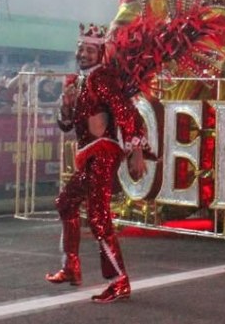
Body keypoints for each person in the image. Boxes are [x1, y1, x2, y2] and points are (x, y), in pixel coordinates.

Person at [45, 24, 147, 304]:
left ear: (100, 52)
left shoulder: (102, 77)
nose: (83, 54)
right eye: (80, 49)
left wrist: (136, 150)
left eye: (89, 50)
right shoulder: (79, 82)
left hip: (103, 153)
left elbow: (126, 111)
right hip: (89, 154)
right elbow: (68, 125)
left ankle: (119, 281)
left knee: (99, 216)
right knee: (66, 202)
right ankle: (71, 267)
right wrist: (66, 108)